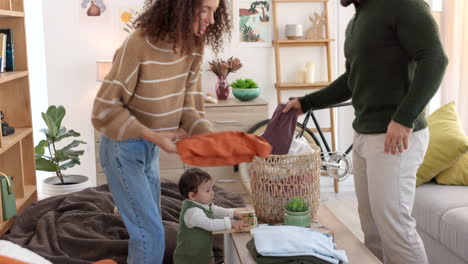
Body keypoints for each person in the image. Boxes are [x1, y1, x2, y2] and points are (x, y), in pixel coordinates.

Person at [283, 0, 448, 263]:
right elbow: (351, 80)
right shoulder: (356, 22)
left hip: (396, 136)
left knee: (395, 228)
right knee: (371, 228)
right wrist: (306, 102)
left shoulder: (404, 5)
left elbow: (435, 58)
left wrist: (404, 118)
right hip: (364, 134)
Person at [91, 0, 231, 263]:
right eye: (205, 9)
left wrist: (208, 135)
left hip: (149, 150)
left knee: (150, 220)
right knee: (151, 234)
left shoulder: (194, 45)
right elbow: (103, 109)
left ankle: (127, 209)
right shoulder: (139, 45)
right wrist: (152, 134)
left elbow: (190, 106)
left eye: (215, 11)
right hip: (122, 148)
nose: (211, 20)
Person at [173, 168, 251, 264]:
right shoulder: (192, 212)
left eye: (212, 189)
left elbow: (214, 210)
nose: (212, 193)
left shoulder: (203, 204)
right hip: (188, 259)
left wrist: (233, 213)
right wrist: (232, 223)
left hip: (201, 254)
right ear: (192, 196)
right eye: (207, 191)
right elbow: (210, 224)